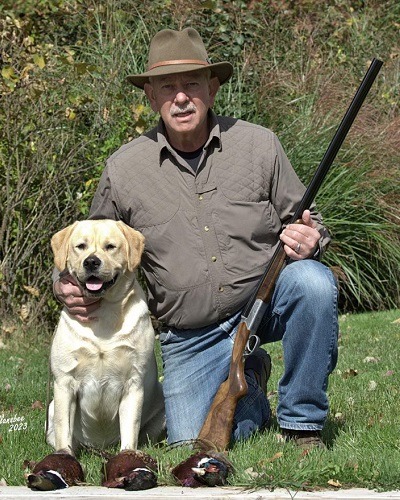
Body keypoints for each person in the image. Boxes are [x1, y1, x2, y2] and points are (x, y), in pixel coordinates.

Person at [53, 28, 338, 449]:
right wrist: (64, 284)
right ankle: (252, 385)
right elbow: (88, 245)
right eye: (168, 87)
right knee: (189, 445)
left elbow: (309, 221)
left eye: (192, 84)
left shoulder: (260, 145)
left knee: (313, 281)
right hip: (189, 334)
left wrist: (312, 239)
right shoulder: (125, 169)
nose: (181, 97)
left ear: (213, 88)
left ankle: (301, 423)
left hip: (263, 304)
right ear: (151, 97)